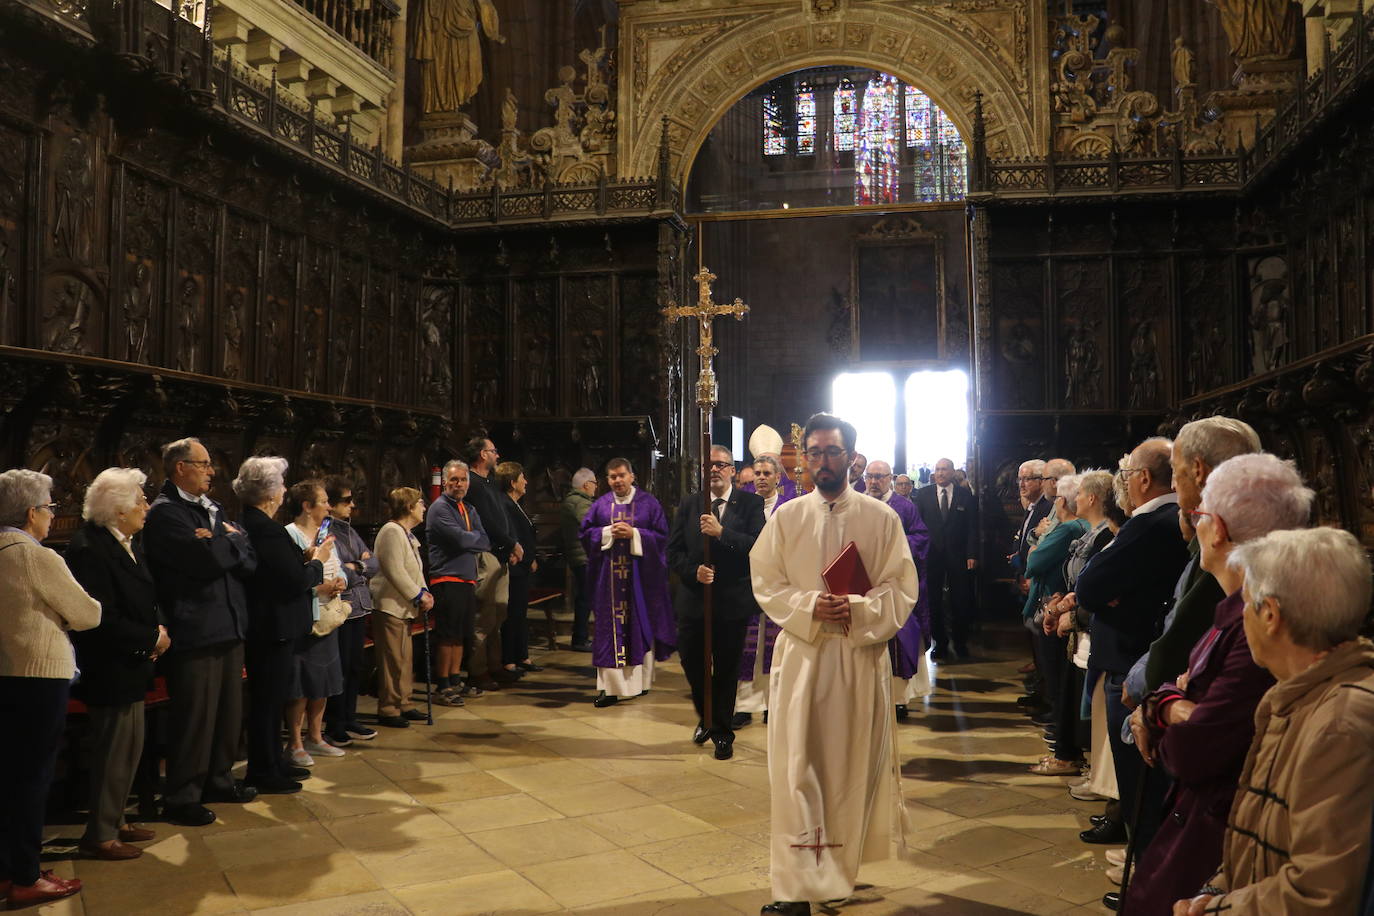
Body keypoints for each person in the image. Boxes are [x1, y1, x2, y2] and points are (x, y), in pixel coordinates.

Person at [1124, 454, 1309, 912]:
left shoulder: (1259, 626)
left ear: (1218, 527)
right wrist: (1173, 702)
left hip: (1222, 832)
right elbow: (1181, 687)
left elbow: (1193, 749)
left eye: (1200, 513)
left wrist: (1164, 708)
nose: (1195, 523)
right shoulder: (1232, 611)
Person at [750, 414, 918, 916]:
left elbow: (902, 588)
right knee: (796, 765)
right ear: (805, 459)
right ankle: (796, 884)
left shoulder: (880, 518)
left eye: (833, 451)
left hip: (855, 660)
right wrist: (807, 606)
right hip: (803, 658)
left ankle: (837, 876)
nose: (823, 461)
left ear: (851, 456)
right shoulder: (786, 516)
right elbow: (766, 582)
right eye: (816, 452)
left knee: (847, 767)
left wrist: (859, 609)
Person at [1173, 527, 1374, 916]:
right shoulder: (1299, 695)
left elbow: (1319, 894)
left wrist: (1213, 911)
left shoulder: (1340, 723)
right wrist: (1216, 890)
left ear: (1270, 615)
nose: (1241, 617)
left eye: (1245, 604)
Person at [1075, 438, 1190, 850]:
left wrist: (1102, 593)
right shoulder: (1171, 520)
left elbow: (1088, 585)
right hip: (1140, 656)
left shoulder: (1150, 522)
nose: (1120, 484)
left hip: (1131, 662)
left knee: (1141, 792)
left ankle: (1144, 890)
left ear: (1143, 478)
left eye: (1125, 475)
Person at [143, 437, 257, 826]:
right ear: (180, 468)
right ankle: (182, 795)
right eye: (204, 463)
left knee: (228, 712)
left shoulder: (214, 508)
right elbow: (203, 562)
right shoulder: (166, 514)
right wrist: (230, 542)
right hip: (195, 626)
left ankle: (219, 780)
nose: (212, 470)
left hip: (229, 622)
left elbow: (249, 560)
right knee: (196, 717)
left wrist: (226, 541)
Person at [0, 470, 100, 907]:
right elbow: (88, 613)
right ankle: (25, 876)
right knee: (32, 780)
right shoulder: (34, 555)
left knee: (10, 777)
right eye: (50, 508)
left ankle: (10, 868)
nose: (51, 515)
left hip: (6, 673)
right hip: (40, 677)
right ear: (31, 512)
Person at [66, 468, 166, 859]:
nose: (146, 506)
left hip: (134, 662)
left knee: (130, 748)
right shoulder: (89, 548)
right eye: (140, 500)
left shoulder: (127, 542)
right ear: (118, 509)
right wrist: (150, 638)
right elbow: (100, 617)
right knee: (112, 751)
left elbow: (145, 597)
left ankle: (118, 819)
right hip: (110, 666)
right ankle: (101, 833)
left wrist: (157, 630)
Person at [668, 445, 765, 759]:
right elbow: (673, 552)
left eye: (721, 465)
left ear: (732, 470)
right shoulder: (689, 503)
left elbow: (757, 546)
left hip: (731, 601)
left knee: (725, 668)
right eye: (709, 464)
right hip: (694, 601)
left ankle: (722, 732)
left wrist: (723, 532)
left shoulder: (750, 503)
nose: (715, 470)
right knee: (692, 664)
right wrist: (692, 571)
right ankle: (706, 717)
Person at [236, 458, 323, 794]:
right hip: (273, 626)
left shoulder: (257, 524)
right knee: (268, 701)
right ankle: (263, 769)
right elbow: (293, 580)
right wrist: (316, 565)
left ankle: (274, 760)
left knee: (273, 698)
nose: (284, 490)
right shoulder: (267, 529)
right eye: (281, 485)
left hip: (272, 625)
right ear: (270, 493)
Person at [578, 457, 675, 707]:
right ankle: (610, 689)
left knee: (639, 628)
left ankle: (639, 684)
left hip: (641, 583)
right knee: (608, 633)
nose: (617, 481)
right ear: (606, 480)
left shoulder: (648, 504)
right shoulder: (600, 505)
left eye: (621, 475)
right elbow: (585, 535)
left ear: (632, 476)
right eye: (612, 477)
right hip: (608, 584)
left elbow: (663, 538)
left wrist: (634, 534)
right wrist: (608, 532)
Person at [1024, 474, 1090, 775]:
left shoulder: (1068, 529)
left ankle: (1064, 744)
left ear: (1062, 500)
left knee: (1057, 674)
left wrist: (1037, 544)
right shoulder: (1074, 527)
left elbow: (1034, 563)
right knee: (1054, 674)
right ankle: (1062, 737)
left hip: (1059, 608)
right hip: (1057, 605)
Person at [282, 480, 348, 766]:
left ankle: (316, 737)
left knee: (322, 682)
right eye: (323, 501)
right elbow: (289, 579)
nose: (329, 506)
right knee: (301, 684)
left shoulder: (325, 534)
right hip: (305, 618)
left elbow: (338, 564)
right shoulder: (291, 535)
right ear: (307, 506)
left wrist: (341, 580)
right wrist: (317, 589)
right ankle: (295, 742)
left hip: (329, 616)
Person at [863, 459, 931, 717]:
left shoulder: (904, 506)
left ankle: (899, 699)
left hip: (894, 586)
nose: (873, 481)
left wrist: (894, 550)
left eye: (879, 476)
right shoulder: (859, 503)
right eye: (870, 476)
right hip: (864, 586)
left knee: (898, 639)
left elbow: (921, 537)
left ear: (890, 478)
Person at [427, 460, 491, 706]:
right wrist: (472, 538)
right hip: (447, 579)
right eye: (454, 480)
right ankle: (442, 685)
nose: (459, 484)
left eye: (463, 480)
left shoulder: (468, 508)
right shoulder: (440, 508)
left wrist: (471, 538)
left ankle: (455, 679)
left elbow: (484, 540)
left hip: (466, 579)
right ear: (445, 482)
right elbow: (464, 541)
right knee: (447, 635)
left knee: (461, 635)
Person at [323, 477, 379, 747]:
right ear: (330, 505)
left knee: (356, 665)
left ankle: (350, 715)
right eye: (346, 501)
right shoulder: (326, 531)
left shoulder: (350, 530)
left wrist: (357, 566)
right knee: (341, 667)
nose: (352, 505)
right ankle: (335, 723)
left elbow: (374, 561)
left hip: (359, 605)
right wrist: (358, 566)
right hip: (341, 607)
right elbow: (336, 569)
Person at [463, 437, 522, 691]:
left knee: (499, 613)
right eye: (493, 451)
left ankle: (495, 665)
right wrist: (509, 543)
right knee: (484, 616)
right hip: (486, 553)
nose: (497, 455)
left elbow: (502, 516)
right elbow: (486, 520)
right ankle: (478, 670)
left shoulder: (490, 483)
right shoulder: (473, 484)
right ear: (482, 455)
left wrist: (510, 544)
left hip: (500, 553)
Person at [736, 455, 791, 725]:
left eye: (767, 473)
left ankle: (773, 704)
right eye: (757, 472)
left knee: (773, 647)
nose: (761, 477)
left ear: (778, 477)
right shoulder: (742, 506)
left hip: (778, 587)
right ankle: (745, 705)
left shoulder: (788, 509)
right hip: (745, 586)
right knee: (746, 647)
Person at [371, 488, 433, 728]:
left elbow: (415, 568)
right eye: (420, 502)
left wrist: (425, 591)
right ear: (408, 506)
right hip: (390, 605)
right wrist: (417, 594)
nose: (424, 507)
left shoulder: (405, 533)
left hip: (403, 606)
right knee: (392, 659)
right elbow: (393, 570)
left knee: (405, 659)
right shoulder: (391, 531)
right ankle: (388, 708)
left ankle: (404, 702)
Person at [913, 457, 978, 660]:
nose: (940, 473)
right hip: (931, 556)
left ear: (952, 472)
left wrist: (972, 554)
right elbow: (917, 527)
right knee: (932, 601)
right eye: (938, 469)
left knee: (960, 600)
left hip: (958, 556)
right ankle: (940, 643)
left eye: (944, 469)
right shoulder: (923, 495)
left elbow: (972, 528)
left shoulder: (965, 495)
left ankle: (960, 643)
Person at [497, 461, 542, 675]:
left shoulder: (515, 504)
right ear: (513, 482)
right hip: (515, 568)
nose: (526, 482)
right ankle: (509, 660)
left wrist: (530, 558)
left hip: (523, 566)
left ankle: (522, 655)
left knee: (520, 613)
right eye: (522, 478)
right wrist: (525, 558)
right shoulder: (505, 504)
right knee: (512, 614)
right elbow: (512, 536)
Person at [560, 468, 597, 652]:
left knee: (586, 596)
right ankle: (580, 639)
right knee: (586, 597)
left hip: (580, 555)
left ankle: (581, 637)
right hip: (584, 555)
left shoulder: (575, 500)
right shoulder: (579, 502)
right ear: (586, 484)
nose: (596, 488)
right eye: (595, 483)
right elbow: (590, 524)